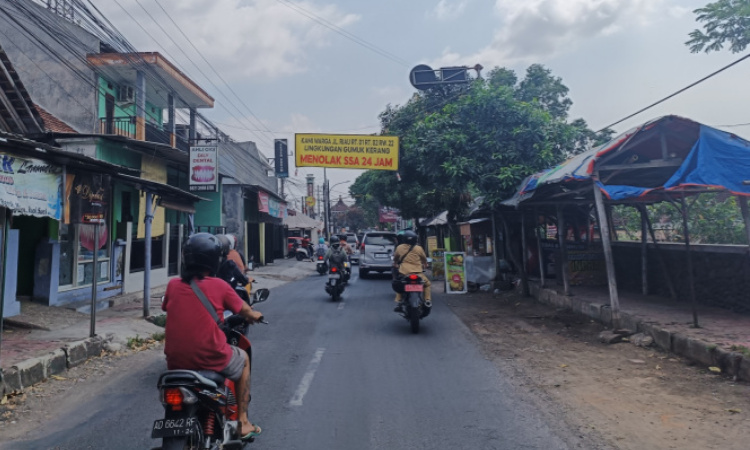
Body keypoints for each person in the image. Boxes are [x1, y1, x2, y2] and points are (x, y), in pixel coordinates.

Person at [162, 233, 263, 441]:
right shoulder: (220, 286)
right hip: (211, 357)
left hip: (175, 363)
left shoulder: (173, 285)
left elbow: (167, 307)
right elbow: (245, 311)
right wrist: (255, 316)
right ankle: (242, 422)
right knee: (242, 358)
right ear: (214, 260)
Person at [392, 230, 432, 312]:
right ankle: (427, 300)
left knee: (399, 284)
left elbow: (396, 258)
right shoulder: (419, 248)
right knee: (427, 284)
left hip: (404, 273)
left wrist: (395, 264)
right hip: (418, 273)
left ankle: (399, 301)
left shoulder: (399, 247)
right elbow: (424, 259)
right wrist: (425, 264)